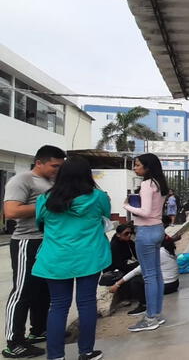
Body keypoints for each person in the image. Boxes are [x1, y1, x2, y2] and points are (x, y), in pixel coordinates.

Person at [33, 156, 111, 360]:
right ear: (87, 175)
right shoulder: (98, 197)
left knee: (58, 306)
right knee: (86, 303)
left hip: (55, 259)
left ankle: (56, 356)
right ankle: (85, 352)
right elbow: (106, 216)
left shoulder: (45, 199)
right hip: (89, 257)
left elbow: (39, 223)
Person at [2, 145, 66, 358]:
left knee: (43, 290)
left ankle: (38, 330)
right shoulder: (22, 180)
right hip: (26, 242)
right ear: (39, 162)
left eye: (60, 166)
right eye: (53, 166)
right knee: (22, 291)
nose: (57, 170)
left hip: (48, 242)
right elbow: (11, 211)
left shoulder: (52, 182)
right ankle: (13, 341)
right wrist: (48, 205)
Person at [123, 153, 169, 332]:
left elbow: (145, 211)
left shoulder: (147, 184)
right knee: (156, 274)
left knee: (149, 276)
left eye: (137, 165)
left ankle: (150, 318)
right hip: (158, 229)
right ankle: (155, 314)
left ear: (147, 167)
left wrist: (127, 206)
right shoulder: (159, 184)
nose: (135, 168)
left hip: (146, 231)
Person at [109, 236, 180, 316]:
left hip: (166, 286)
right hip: (174, 284)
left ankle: (144, 305)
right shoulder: (166, 249)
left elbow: (137, 271)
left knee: (135, 281)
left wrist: (117, 284)